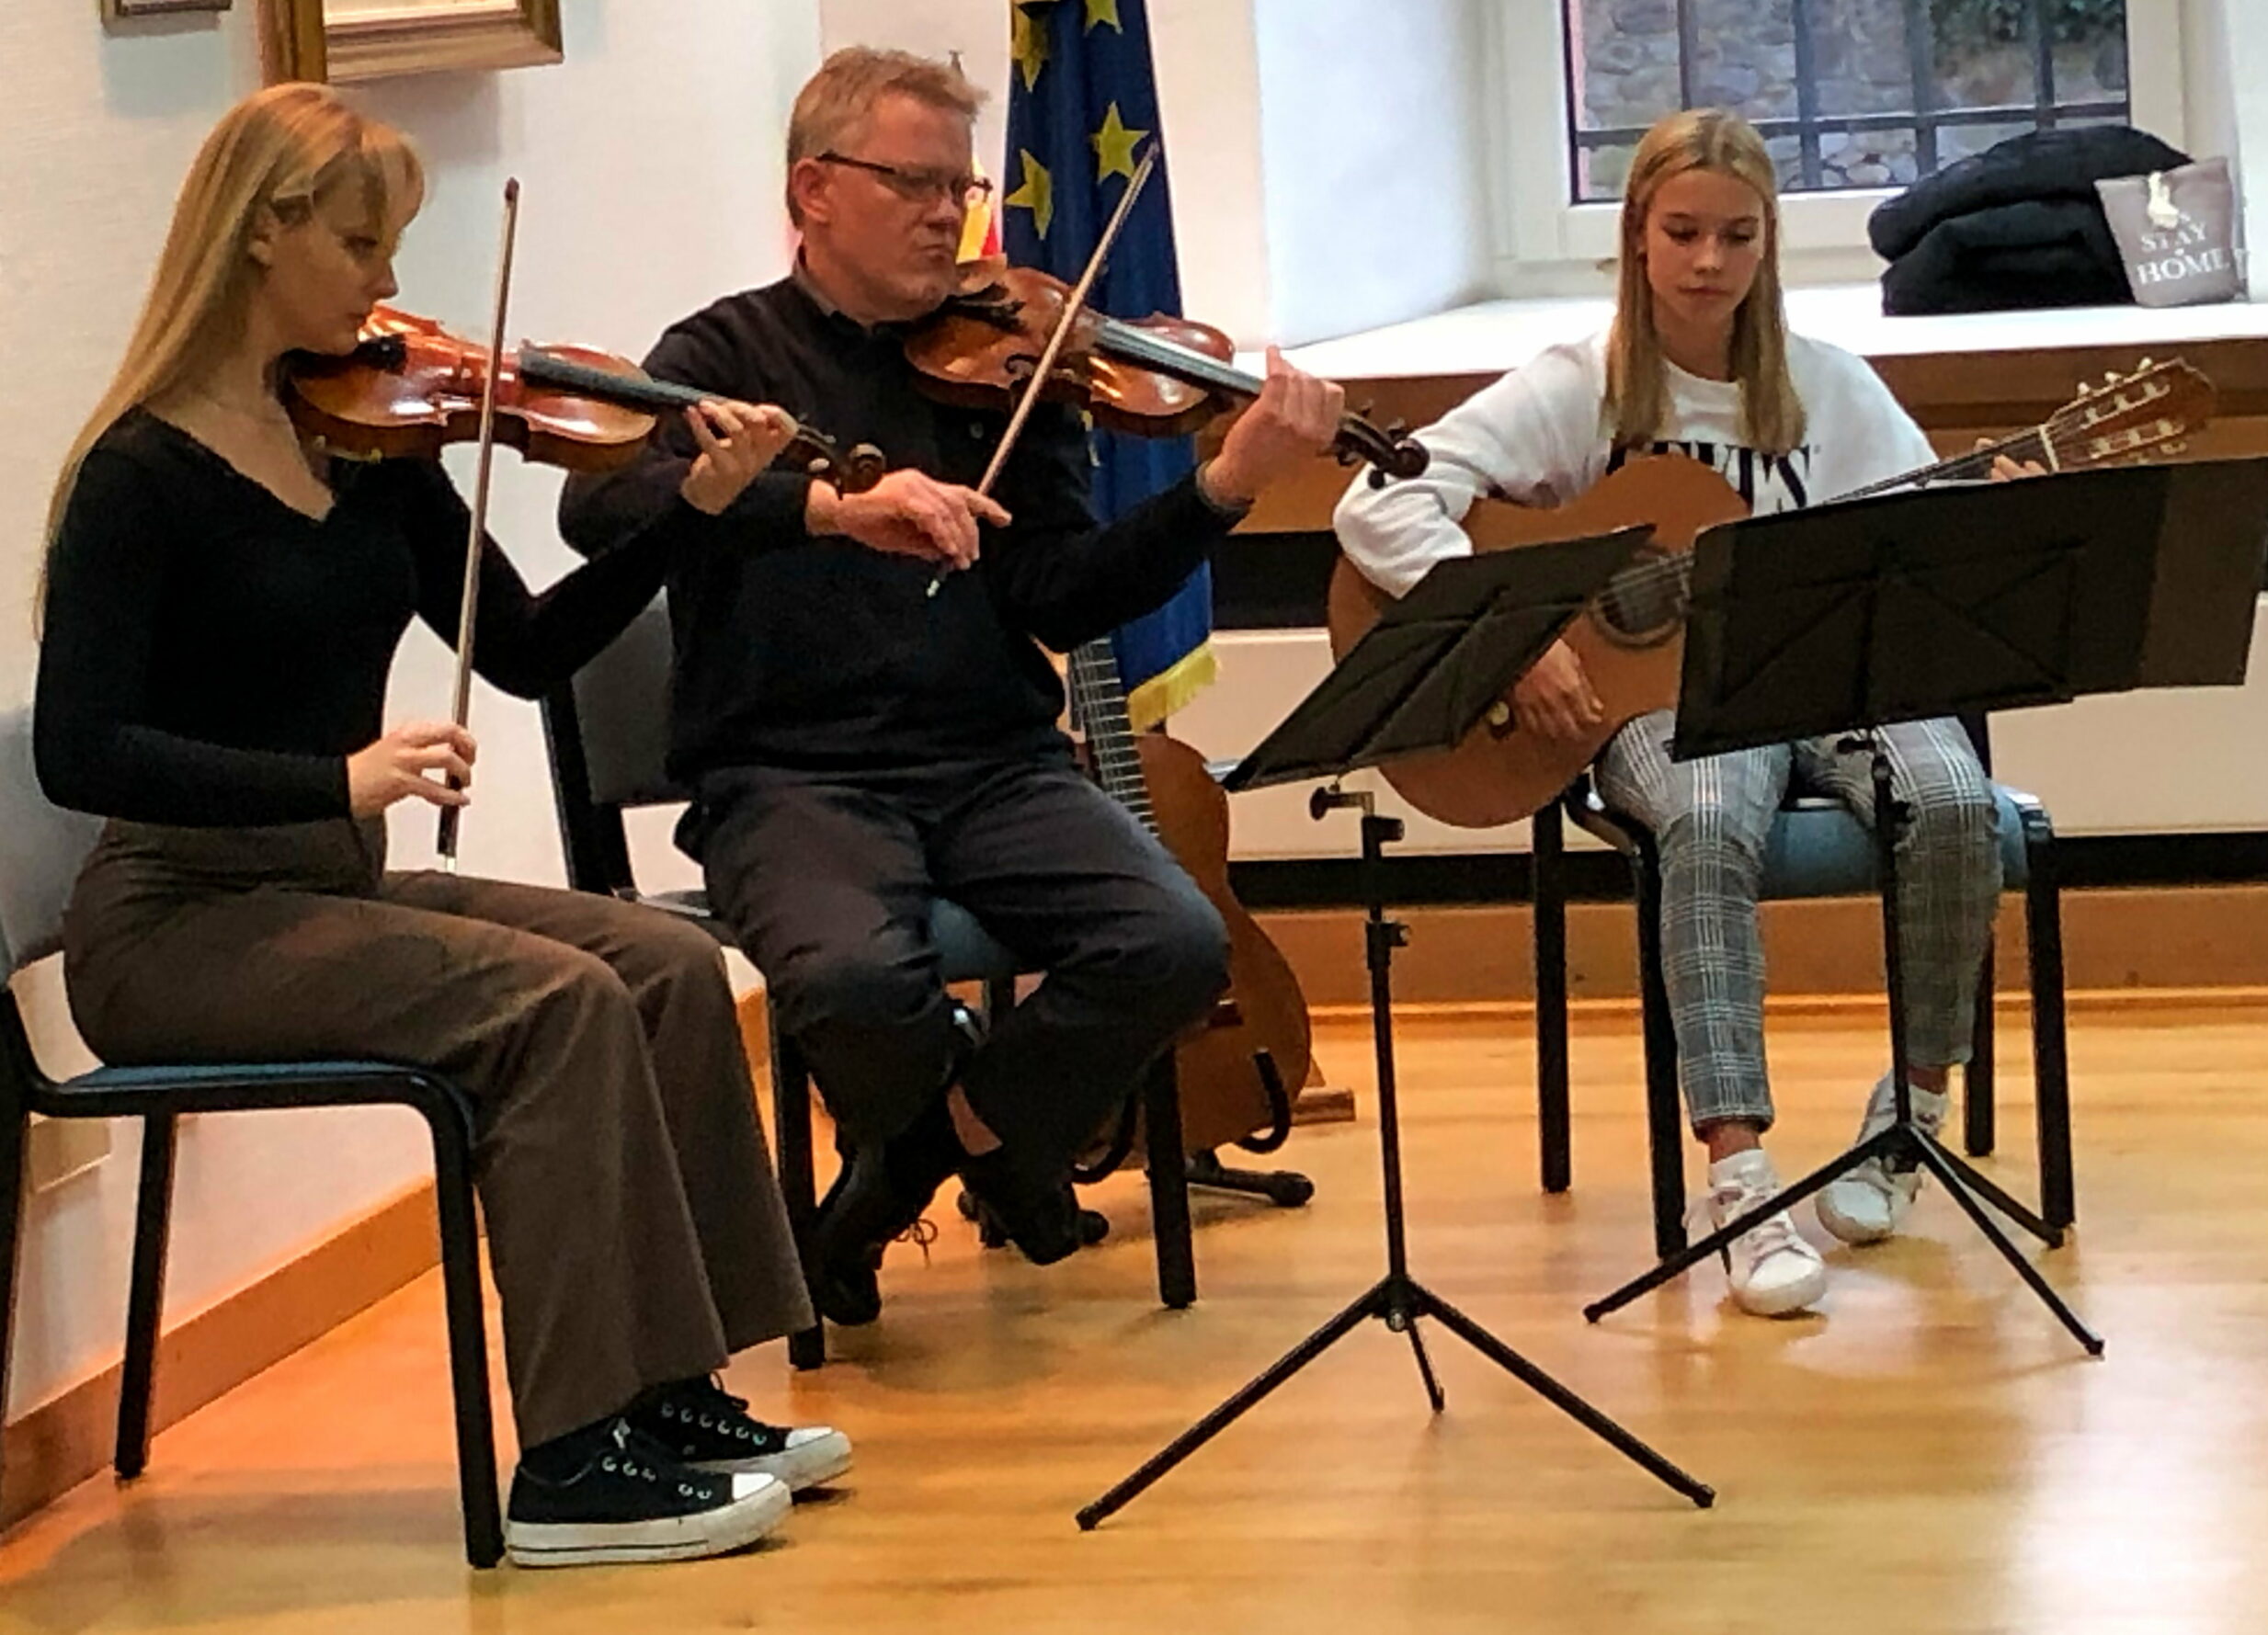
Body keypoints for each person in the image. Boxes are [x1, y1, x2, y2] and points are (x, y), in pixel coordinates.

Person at [34, 83, 846, 1567]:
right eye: (364, 247)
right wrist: (328, 780)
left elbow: (529, 649)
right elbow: (81, 755)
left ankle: (670, 1391)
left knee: (660, 968)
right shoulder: (140, 475)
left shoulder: (369, 449)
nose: (390, 287)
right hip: (175, 924)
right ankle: (569, 1463)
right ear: (264, 234)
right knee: (550, 1005)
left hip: (325, 895)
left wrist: (701, 510)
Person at [559, 47, 1345, 1325]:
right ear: (813, 191)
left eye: (962, 189)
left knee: (1172, 940)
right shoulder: (721, 349)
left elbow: (1057, 594)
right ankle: (1005, 1147)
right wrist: (823, 506)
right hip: (789, 773)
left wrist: (1223, 489)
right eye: (914, 183)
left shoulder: (1008, 365)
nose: (949, 217)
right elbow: (603, 506)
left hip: (993, 763)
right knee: (855, 987)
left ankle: (921, 1166)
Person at [1336, 109, 2033, 1320]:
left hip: (1827, 675)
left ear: (1768, 249)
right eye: (1683, 233)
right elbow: (1377, 507)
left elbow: (1921, 543)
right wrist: (1525, 642)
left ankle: (1910, 1120)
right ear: (1637, 240)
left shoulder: (1825, 385)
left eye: (1737, 236)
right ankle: (1739, 1178)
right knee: (1706, 820)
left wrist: (1996, 513)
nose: (1708, 261)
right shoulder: (1581, 388)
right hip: (1659, 703)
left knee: (1955, 800)